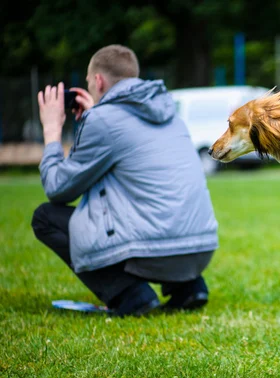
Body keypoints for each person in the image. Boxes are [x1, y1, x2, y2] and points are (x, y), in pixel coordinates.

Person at [32, 45, 219, 316]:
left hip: (155, 251)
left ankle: (129, 294)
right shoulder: (170, 114)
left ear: (98, 80)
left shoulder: (103, 121)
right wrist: (93, 118)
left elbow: (57, 189)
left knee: (45, 217)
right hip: (200, 246)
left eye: (88, 81)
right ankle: (188, 288)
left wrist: (51, 131)